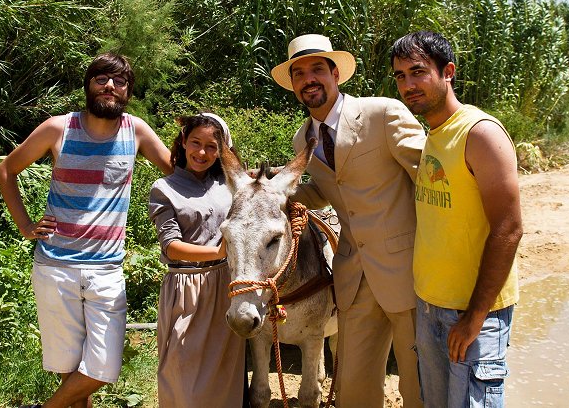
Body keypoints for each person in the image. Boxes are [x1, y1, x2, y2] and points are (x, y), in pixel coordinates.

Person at [0, 52, 172, 408]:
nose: (110, 86)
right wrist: (25, 225)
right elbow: (6, 171)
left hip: (106, 268)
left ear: (128, 92)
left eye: (119, 82)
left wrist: (231, 175)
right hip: (55, 266)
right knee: (69, 367)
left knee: (103, 368)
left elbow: (178, 171)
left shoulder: (135, 131)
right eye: (102, 79)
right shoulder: (58, 128)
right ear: (89, 86)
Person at [271, 34, 426, 407]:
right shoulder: (302, 139)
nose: (309, 79)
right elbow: (328, 190)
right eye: (299, 73)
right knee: (353, 390)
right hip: (353, 277)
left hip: (408, 270)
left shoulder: (382, 113)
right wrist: (273, 191)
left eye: (317, 69)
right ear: (293, 85)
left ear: (335, 73)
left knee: (420, 386)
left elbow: (429, 177)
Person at [391, 30, 523, 407]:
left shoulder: (479, 134)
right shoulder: (433, 133)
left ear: (448, 71)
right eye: (400, 76)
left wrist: (475, 317)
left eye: (418, 72)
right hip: (429, 305)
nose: (409, 85)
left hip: (473, 315)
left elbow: (509, 229)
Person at [148, 112, 246, 408]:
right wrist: (218, 253)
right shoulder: (164, 188)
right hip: (186, 288)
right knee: (183, 373)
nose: (202, 152)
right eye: (195, 143)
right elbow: (172, 246)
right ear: (183, 142)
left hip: (227, 287)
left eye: (212, 146)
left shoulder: (231, 186)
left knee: (225, 376)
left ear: (223, 151)